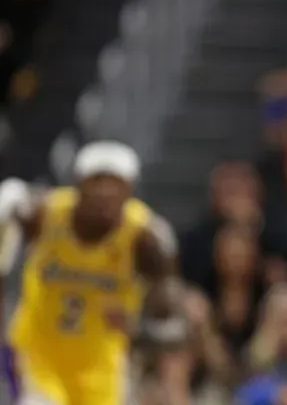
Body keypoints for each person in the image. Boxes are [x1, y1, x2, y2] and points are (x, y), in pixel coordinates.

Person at [0, 141, 184, 405]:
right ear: (78, 185)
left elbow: (177, 329)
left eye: (115, 183)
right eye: (96, 181)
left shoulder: (146, 238)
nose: (104, 192)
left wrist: (138, 328)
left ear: (129, 190)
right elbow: (11, 196)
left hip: (103, 368)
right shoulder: (47, 213)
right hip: (39, 356)